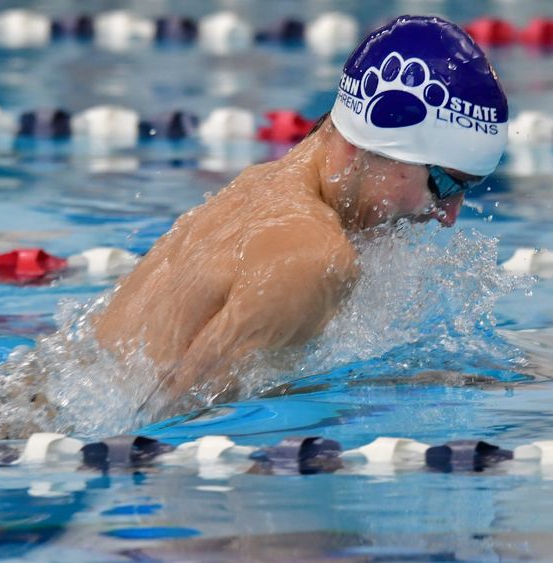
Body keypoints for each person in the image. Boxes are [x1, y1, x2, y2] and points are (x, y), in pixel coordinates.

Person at [94, 15, 509, 410]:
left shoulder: (261, 187)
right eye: (447, 184)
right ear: (379, 146)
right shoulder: (312, 257)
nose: (449, 214)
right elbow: (172, 420)